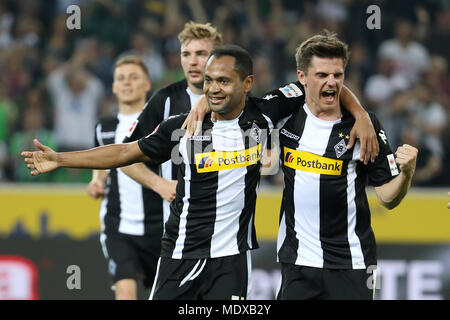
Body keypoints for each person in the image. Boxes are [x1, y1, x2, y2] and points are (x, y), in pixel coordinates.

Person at [24, 44, 377, 300]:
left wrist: (360, 114)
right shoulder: (181, 128)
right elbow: (125, 152)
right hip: (180, 253)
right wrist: (63, 159)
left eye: (223, 81)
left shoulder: (264, 113)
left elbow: (323, 83)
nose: (212, 88)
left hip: (232, 263)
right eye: (208, 81)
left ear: (248, 82)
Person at [275, 31, 418, 300]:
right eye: (322, 75)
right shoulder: (286, 117)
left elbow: (387, 197)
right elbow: (241, 108)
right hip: (298, 261)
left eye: (338, 75)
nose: (331, 82)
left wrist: (407, 173)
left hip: (353, 263)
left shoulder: (365, 126)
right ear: (302, 77)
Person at [121, 21, 223, 225]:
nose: (192, 62)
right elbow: (126, 157)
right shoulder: (165, 99)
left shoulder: (235, 101)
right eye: (186, 54)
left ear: (218, 59)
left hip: (225, 227)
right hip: (177, 228)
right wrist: (159, 184)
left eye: (201, 54)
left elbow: (265, 157)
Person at [86, 56, 170, 300]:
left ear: (146, 85)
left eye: (134, 77)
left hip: (161, 228)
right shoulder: (104, 127)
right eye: (121, 78)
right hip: (118, 227)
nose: (126, 83)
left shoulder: (160, 125)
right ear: (113, 86)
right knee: (125, 291)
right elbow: (100, 165)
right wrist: (96, 182)